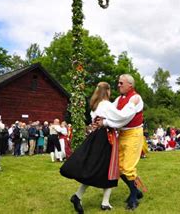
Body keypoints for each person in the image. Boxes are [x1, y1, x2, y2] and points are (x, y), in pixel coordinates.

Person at [61, 81, 141, 213]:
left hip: (96, 136)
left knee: (97, 168)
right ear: (108, 91)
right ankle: (100, 201)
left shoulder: (95, 105)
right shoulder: (107, 105)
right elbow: (121, 116)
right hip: (106, 137)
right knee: (110, 168)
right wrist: (132, 104)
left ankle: (95, 200)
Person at [114, 74, 146, 210]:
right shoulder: (119, 98)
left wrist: (107, 121)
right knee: (119, 168)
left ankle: (133, 197)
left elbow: (124, 116)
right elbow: (110, 110)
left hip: (133, 134)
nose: (119, 85)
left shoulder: (135, 98)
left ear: (130, 85)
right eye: (118, 83)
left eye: (121, 83)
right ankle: (137, 191)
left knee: (128, 167)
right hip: (122, 134)